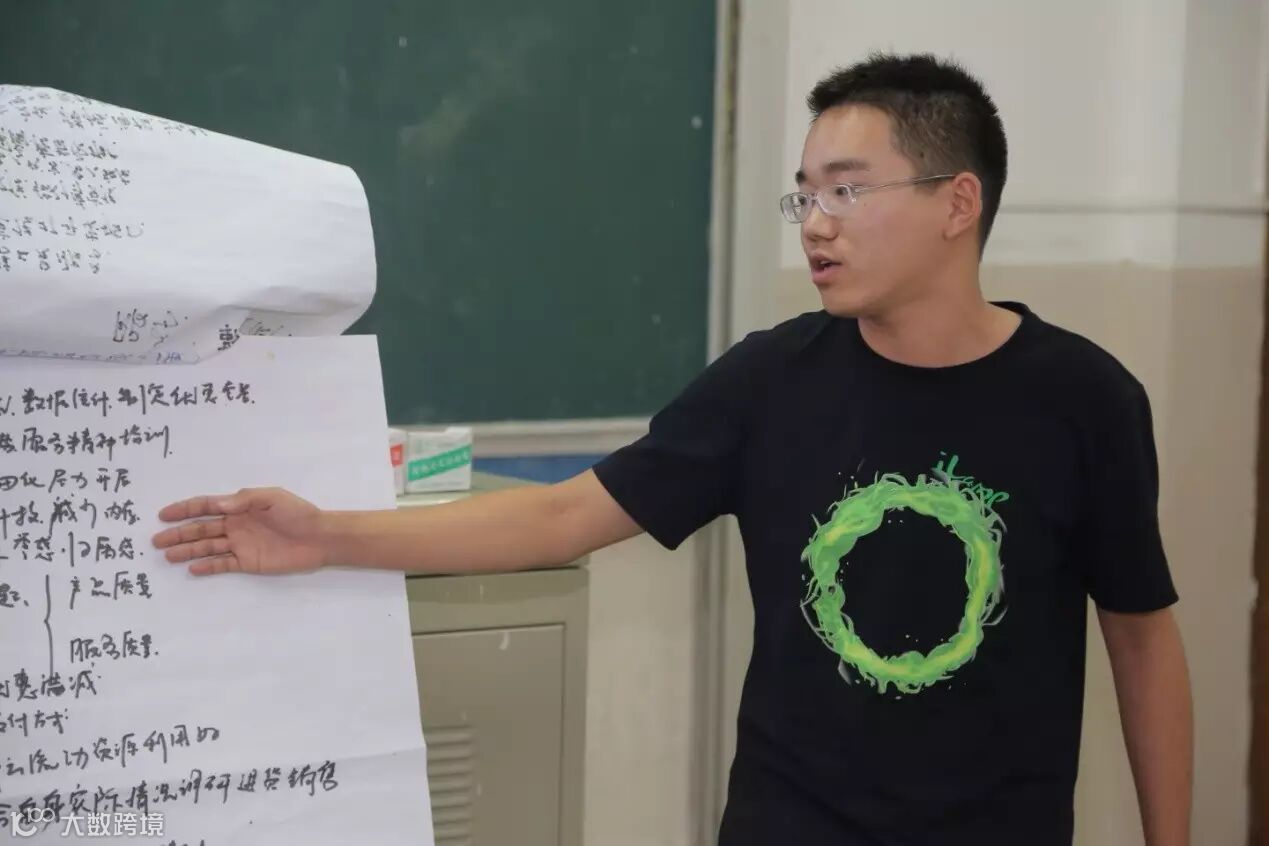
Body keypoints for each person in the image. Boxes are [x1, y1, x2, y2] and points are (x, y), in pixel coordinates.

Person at [153, 53, 1193, 846]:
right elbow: (563, 514)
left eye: (847, 190)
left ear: (956, 203)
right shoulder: (770, 381)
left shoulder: (1085, 400)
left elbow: (1141, 641)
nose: (814, 224)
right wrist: (326, 535)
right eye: (804, 193)